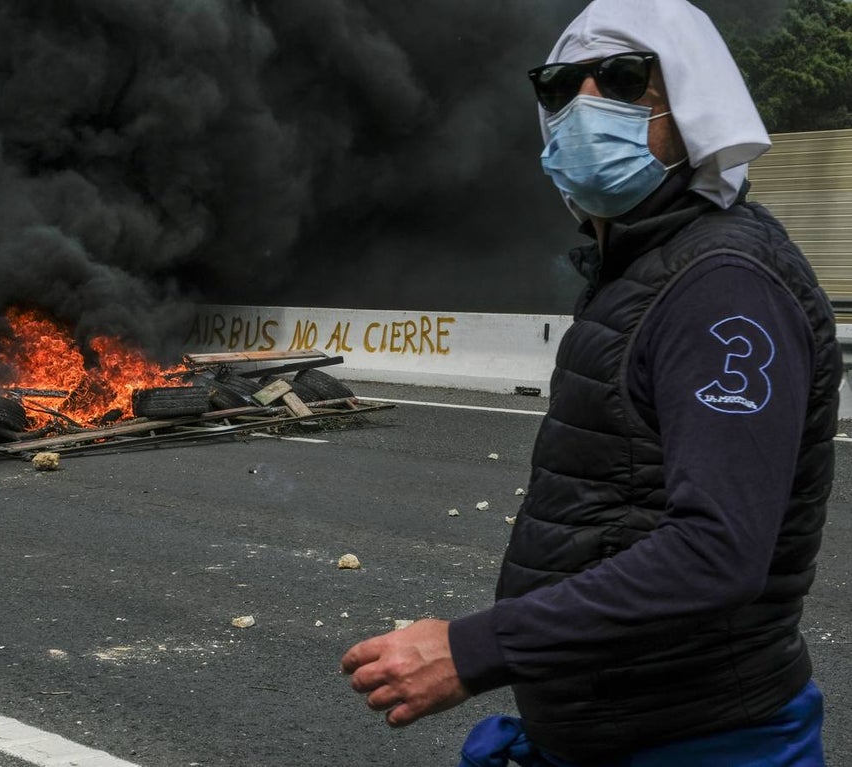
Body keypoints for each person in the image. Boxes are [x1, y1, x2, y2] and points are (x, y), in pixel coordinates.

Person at [340, 1, 844, 765]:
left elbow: (717, 550)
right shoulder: (648, 267)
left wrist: (473, 647)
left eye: (619, 79)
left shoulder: (722, 284)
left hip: (701, 744)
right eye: (558, 86)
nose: (583, 106)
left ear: (690, 101)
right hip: (622, 734)